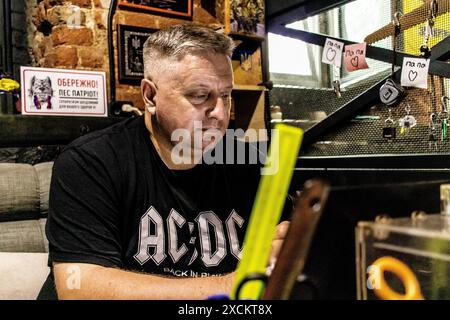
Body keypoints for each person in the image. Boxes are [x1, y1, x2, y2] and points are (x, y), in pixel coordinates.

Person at [38, 24, 290, 300]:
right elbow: (79, 289)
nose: (220, 113)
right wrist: (235, 285)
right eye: (199, 95)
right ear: (150, 96)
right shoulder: (91, 162)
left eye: (226, 95)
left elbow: (283, 252)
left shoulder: (248, 165)